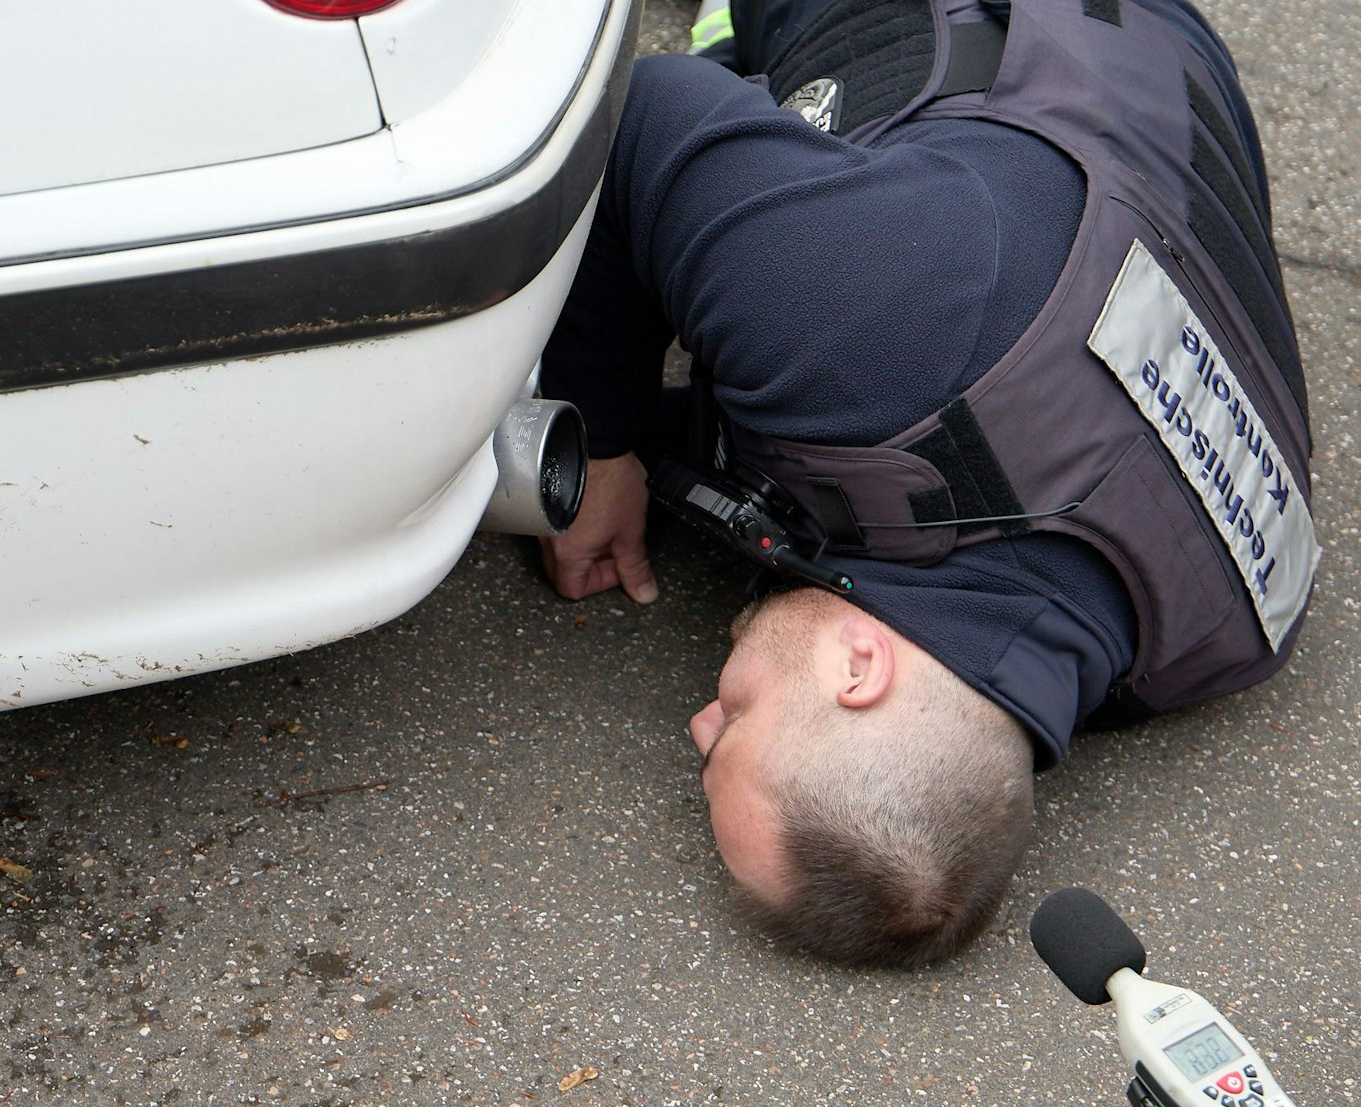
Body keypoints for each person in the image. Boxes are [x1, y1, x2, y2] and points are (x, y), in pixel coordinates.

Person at [538, 0, 1318, 967]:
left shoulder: (1219, 641)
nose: (700, 716)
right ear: (859, 670)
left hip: (1150, 71)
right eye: (731, 727)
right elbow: (639, 115)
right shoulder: (871, 324)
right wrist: (595, 441)